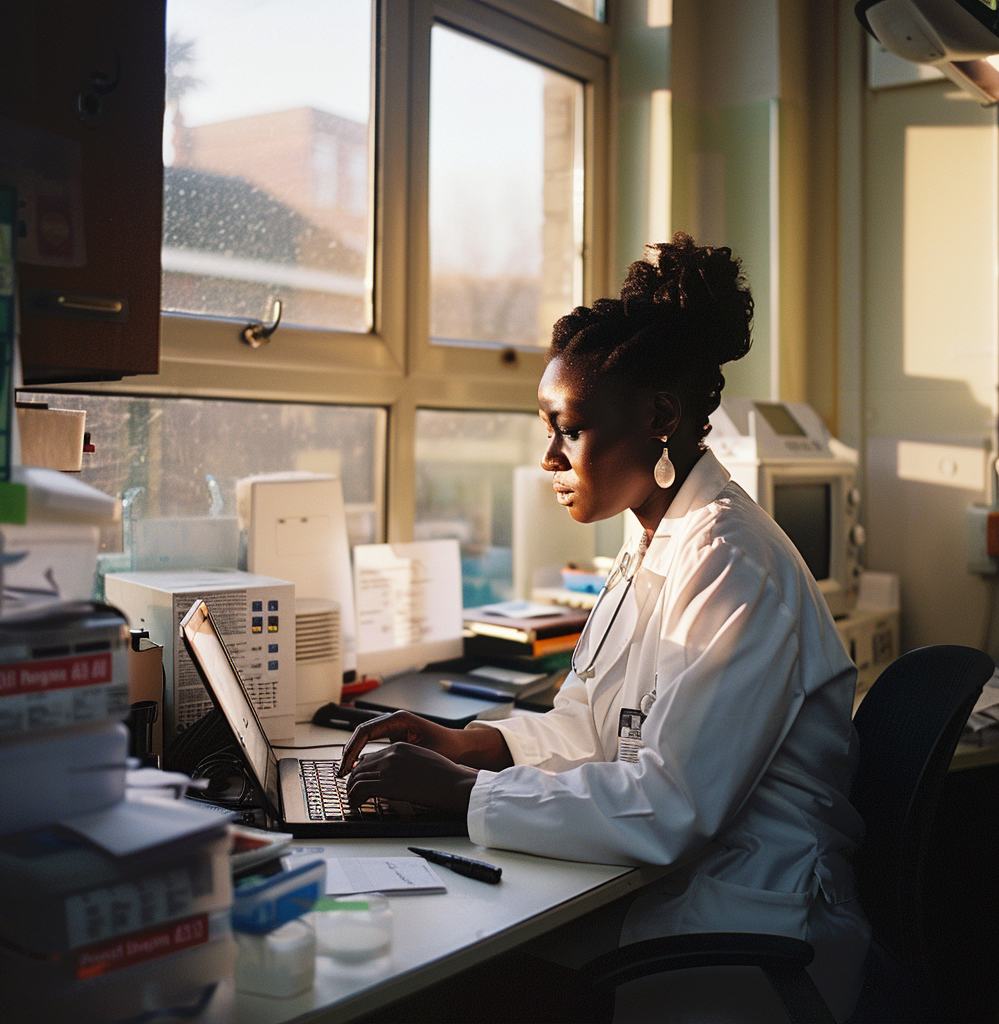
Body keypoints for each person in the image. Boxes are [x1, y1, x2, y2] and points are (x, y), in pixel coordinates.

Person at [339, 232, 870, 1022]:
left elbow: (669, 804)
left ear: (659, 416)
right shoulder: (654, 538)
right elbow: (595, 726)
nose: (550, 457)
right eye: (547, 428)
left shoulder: (733, 562)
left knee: (449, 987)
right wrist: (473, 744)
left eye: (570, 428)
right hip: (674, 888)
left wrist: (464, 794)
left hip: (748, 920)